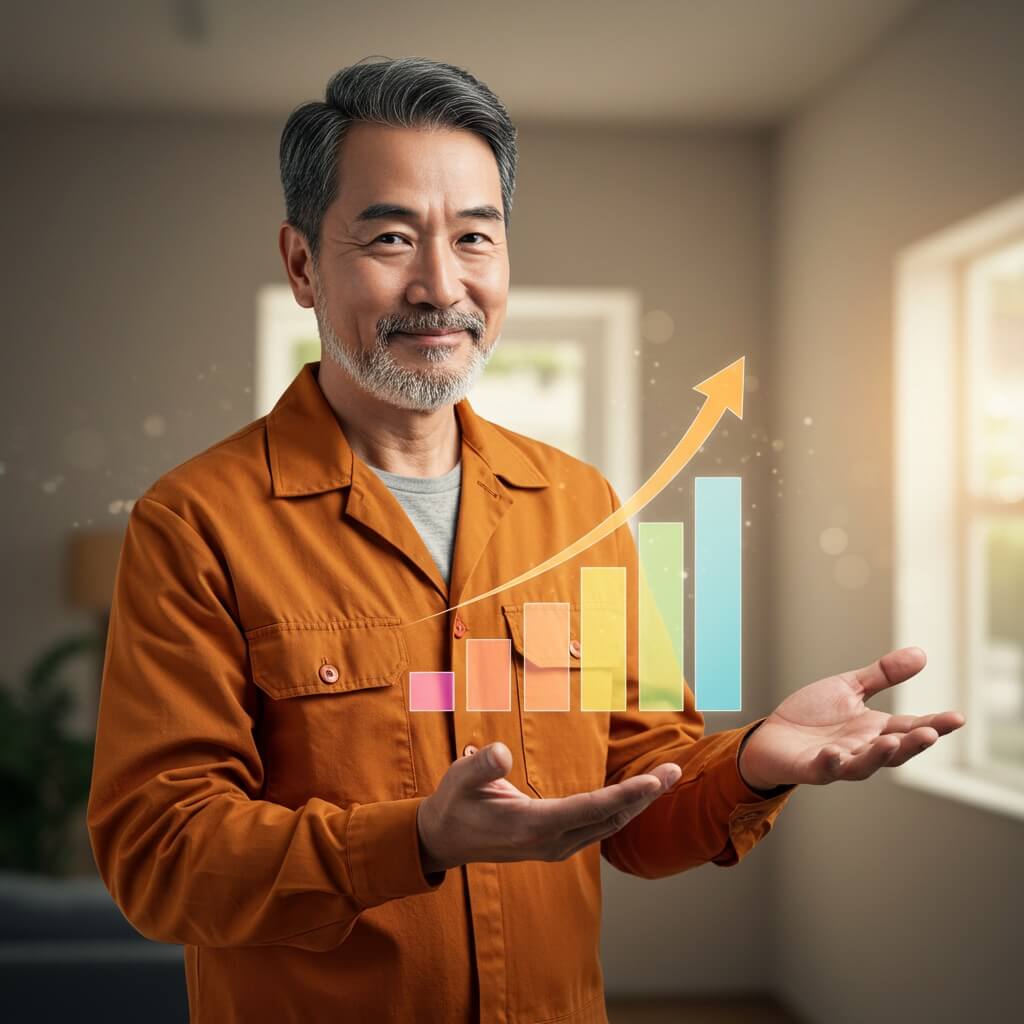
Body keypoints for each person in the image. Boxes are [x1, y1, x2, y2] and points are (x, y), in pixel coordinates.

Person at [86, 57, 965, 1024]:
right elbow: (160, 859)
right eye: (389, 237)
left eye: (473, 236)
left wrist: (755, 760)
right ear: (302, 265)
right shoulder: (196, 522)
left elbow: (635, 809)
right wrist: (417, 838)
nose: (439, 284)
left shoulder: (578, 506)